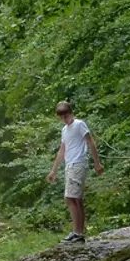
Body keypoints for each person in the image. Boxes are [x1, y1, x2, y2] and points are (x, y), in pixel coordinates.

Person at [45, 101, 103, 242]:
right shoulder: (65, 130)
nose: (65, 119)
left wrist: (97, 163)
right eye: (61, 117)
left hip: (78, 164)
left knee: (70, 198)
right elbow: (62, 151)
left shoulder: (79, 124)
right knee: (76, 199)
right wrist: (54, 171)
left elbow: (91, 142)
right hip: (70, 165)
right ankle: (79, 232)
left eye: (66, 116)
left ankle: (77, 232)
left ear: (71, 113)